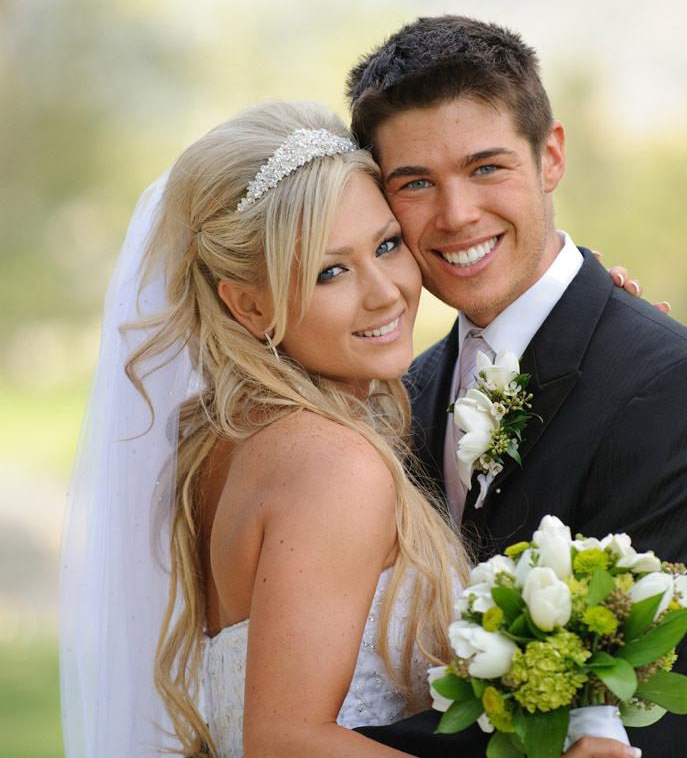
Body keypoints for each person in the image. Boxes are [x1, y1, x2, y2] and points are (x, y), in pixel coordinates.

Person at [59, 99, 641, 758]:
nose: (385, 291)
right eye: (331, 271)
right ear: (250, 305)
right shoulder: (332, 463)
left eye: (387, 244)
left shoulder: (231, 437)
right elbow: (285, 740)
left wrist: (596, 330)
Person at [346, 15, 687, 758]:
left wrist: (296, 742)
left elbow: (627, 707)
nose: (457, 213)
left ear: (552, 155)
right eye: (415, 183)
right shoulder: (405, 388)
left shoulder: (674, 388)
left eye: (487, 167)